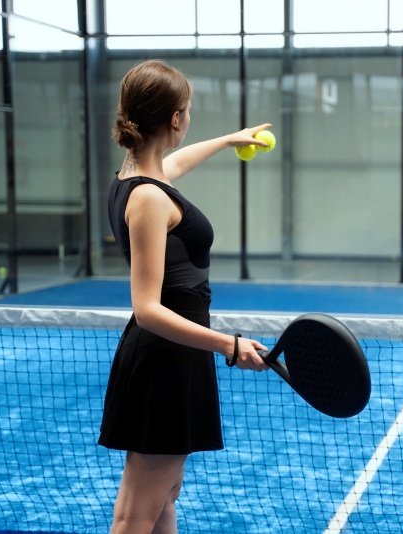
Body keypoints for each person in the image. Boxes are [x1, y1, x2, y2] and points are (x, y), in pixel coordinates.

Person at [98, 59, 272, 534]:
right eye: (188, 111)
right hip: (165, 359)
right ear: (175, 118)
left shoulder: (132, 180)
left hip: (175, 355)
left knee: (164, 496)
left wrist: (228, 140)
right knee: (137, 512)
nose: (189, 119)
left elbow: (171, 164)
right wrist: (228, 345)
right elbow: (148, 309)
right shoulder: (151, 199)